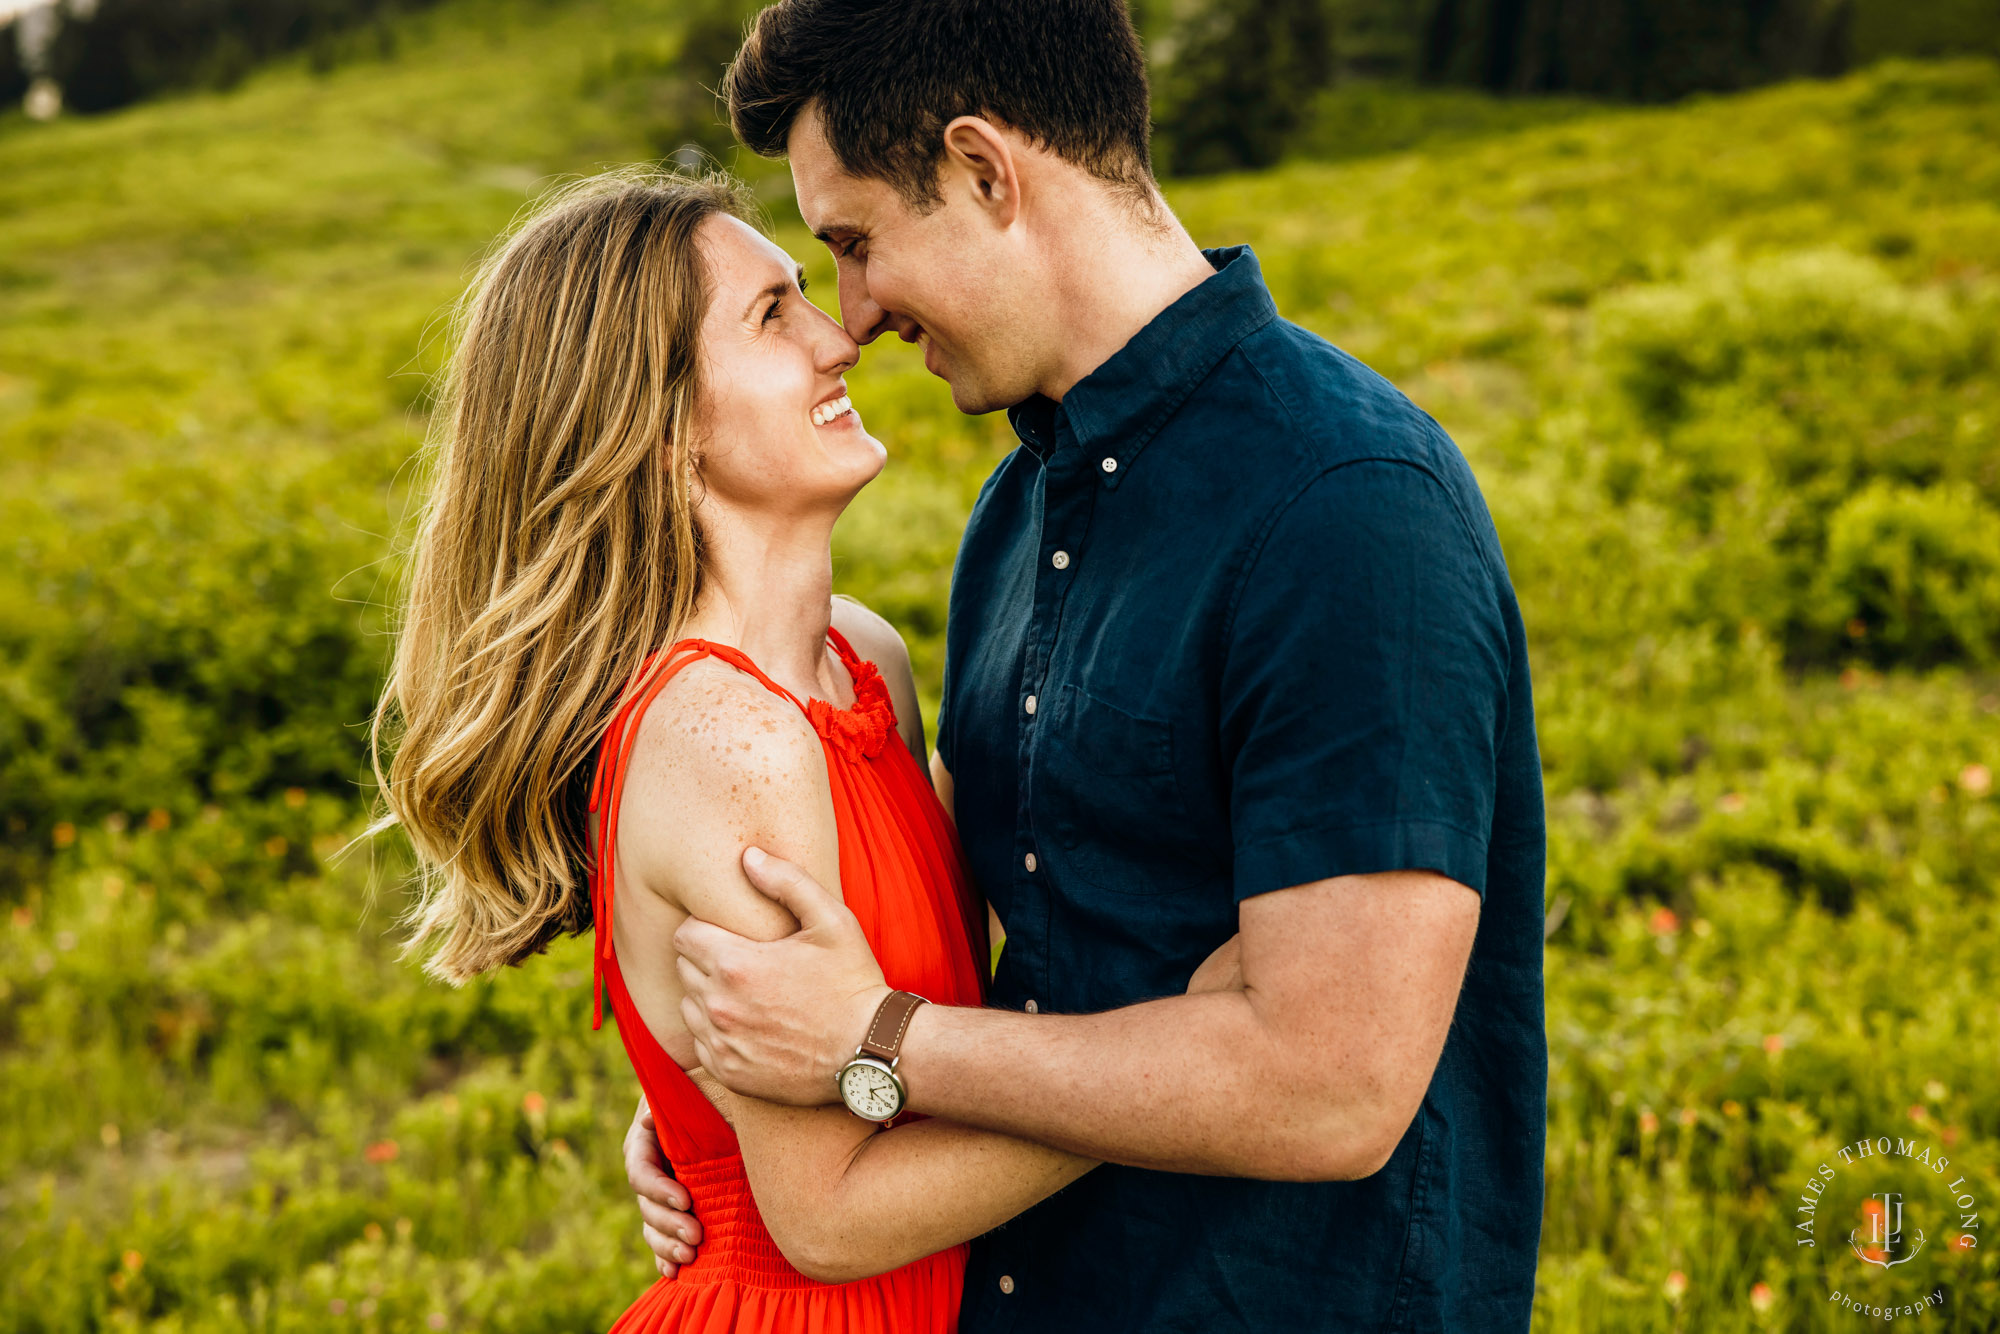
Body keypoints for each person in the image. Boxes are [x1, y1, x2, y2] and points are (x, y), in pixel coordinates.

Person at [629, 1, 1549, 1331]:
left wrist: (878, 1043)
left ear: (988, 172)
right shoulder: (1022, 508)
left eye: (858, 244)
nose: (859, 314)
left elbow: (1336, 1087)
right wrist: (730, 1107)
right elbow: (966, 925)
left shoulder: (1346, 505)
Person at [373, 166, 1247, 1333]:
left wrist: (710, 1111)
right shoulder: (725, 739)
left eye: (805, 292)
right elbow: (827, 1216)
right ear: (662, 424)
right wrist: (1177, 1071)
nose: (840, 338)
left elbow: (908, 982)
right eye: (773, 314)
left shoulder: (861, 657)